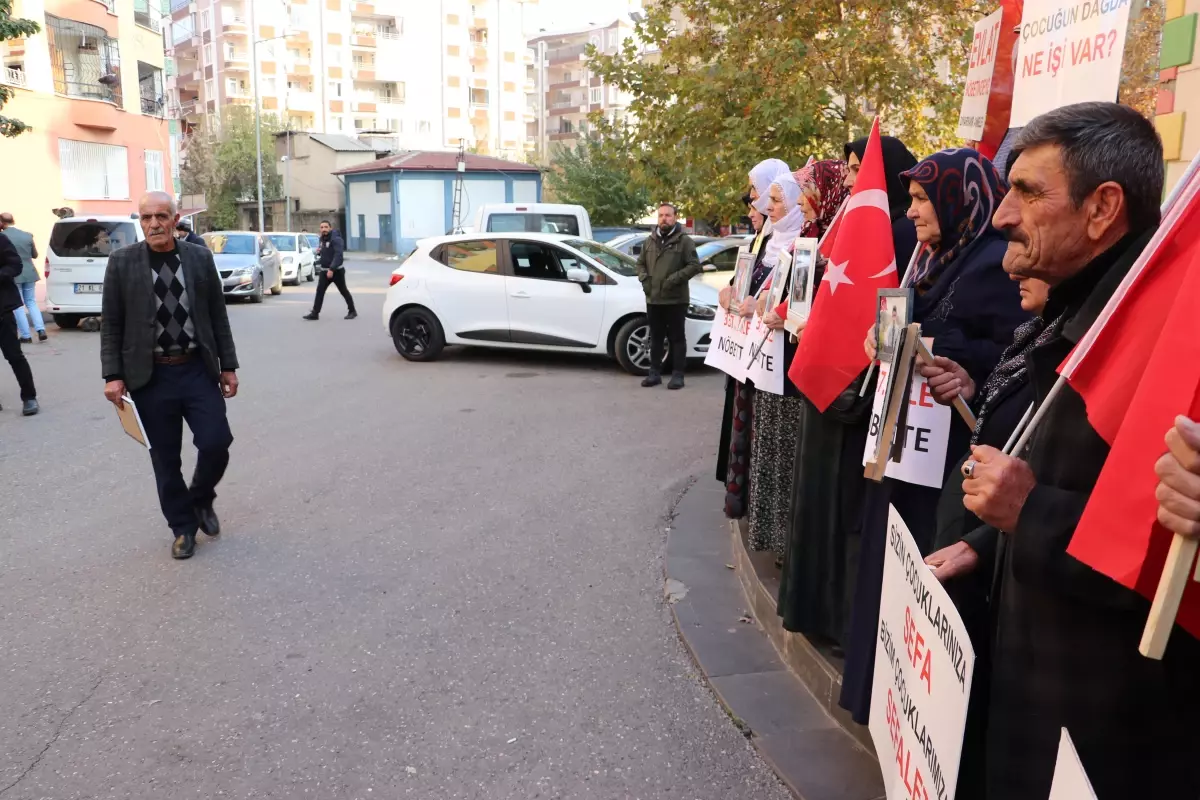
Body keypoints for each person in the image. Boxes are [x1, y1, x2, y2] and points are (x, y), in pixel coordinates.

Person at [944, 102, 1200, 798]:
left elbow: (1142, 543)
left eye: (1028, 193)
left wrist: (1028, 512)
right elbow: (1077, 475)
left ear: (1102, 208)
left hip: (1106, 728)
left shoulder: (1160, 335)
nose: (1001, 217)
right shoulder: (1075, 311)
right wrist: (989, 541)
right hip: (1042, 691)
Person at [839, 147, 1029, 724]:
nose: (914, 211)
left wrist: (961, 369)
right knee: (887, 568)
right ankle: (875, 696)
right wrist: (882, 342)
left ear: (959, 198)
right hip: (901, 453)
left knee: (923, 575)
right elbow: (909, 330)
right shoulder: (927, 259)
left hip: (945, 464)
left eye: (923, 199)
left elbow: (1011, 360)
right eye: (913, 199)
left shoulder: (993, 263)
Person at [918, 275, 1050, 798]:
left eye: (1030, 194)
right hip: (971, 545)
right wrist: (974, 392)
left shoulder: (1089, 338)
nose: (1012, 260)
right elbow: (1004, 421)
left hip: (1005, 576)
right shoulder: (1039, 328)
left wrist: (985, 541)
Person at [101, 191, 240, 560]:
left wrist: (228, 366)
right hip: (150, 378)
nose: (153, 224)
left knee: (216, 441)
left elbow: (217, 316)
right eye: (146, 218)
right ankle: (182, 528)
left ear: (175, 219)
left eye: (161, 216)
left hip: (196, 368)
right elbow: (112, 324)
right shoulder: (122, 262)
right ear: (140, 222)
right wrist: (113, 375)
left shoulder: (198, 257)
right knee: (165, 459)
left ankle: (201, 498)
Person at [717, 159, 788, 518]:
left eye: (761, 192)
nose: (757, 199)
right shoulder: (768, 236)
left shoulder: (798, 241)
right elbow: (748, 280)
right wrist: (731, 291)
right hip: (752, 354)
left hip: (775, 364)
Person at [746, 169, 811, 554]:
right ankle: (770, 536)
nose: (766, 208)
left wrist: (781, 311)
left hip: (791, 370)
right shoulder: (773, 241)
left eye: (776, 200)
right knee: (770, 450)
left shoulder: (810, 243)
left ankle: (787, 544)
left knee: (786, 455)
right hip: (766, 363)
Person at [635, 202, 701, 389]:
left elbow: (695, 266)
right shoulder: (650, 240)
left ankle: (678, 375)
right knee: (655, 338)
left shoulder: (684, 241)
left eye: (668, 215)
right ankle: (654, 373)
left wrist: (675, 278)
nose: (664, 219)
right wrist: (644, 279)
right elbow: (639, 264)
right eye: (661, 215)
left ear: (675, 218)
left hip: (676, 299)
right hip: (654, 298)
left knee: (676, 338)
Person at [0, 230, 38, 415]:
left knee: (14, 355)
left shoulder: (1, 239)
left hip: (2, 308)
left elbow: (15, 265)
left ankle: (29, 397)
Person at [0, 213, 46, 343]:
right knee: (31, 302)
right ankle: (41, 329)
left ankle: (26, 335)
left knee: (18, 305)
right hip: (30, 272)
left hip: (12, 274)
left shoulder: (3, 237)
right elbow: (35, 255)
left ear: (2, 223)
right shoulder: (27, 235)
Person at [304, 220, 356, 321]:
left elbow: (338, 255)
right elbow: (326, 253)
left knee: (343, 291)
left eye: (326, 227)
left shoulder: (336, 239)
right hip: (324, 271)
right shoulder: (322, 239)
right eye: (322, 227)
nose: (324, 229)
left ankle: (352, 311)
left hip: (336, 271)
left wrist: (332, 269)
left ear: (330, 228)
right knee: (320, 291)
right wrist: (320, 253)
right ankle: (315, 313)